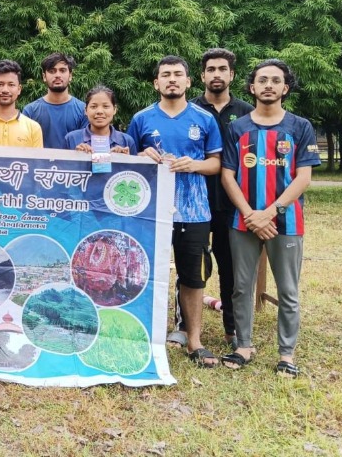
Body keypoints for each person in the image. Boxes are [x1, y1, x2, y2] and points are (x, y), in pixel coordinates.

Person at [220, 59, 320, 378]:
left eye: (275, 81)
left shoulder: (300, 127)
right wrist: (250, 214)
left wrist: (271, 211)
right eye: (262, 80)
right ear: (251, 87)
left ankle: (286, 354)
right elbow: (227, 175)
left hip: (286, 222)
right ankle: (243, 347)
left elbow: (303, 177)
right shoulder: (237, 128)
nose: (268, 85)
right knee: (241, 287)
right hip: (244, 221)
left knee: (288, 290)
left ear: (284, 88)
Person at [127, 56, 222, 368]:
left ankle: (193, 339)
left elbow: (216, 163)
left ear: (188, 81)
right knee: (142, 273)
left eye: (178, 74)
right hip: (149, 211)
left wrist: (193, 164)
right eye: (165, 75)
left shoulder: (204, 119)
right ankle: (141, 335)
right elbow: (127, 162)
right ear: (156, 83)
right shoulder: (142, 119)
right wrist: (142, 155)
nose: (172, 79)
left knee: (193, 276)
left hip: (194, 211)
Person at [177, 48, 252, 351]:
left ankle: (232, 329)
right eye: (211, 69)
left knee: (230, 267)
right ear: (202, 76)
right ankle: (182, 326)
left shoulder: (247, 112)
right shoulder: (187, 109)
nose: (217, 74)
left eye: (223, 69)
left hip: (230, 203)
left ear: (232, 75)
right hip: (191, 203)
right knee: (188, 266)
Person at [22, 53, 89, 149]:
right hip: (40, 164)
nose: (57, 75)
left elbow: (88, 147)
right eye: (52, 71)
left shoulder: (84, 110)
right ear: (44, 76)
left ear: (70, 75)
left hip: (73, 164)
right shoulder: (30, 111)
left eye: (62, 70)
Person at [64, 85, 138, 155]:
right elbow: (63, 167)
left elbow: (134, 168)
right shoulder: (71, 139)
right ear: (85, 110)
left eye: (105, 106)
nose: (99, 111)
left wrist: (124, 159)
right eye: (93, 106)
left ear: (114, 109)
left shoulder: (127, 141)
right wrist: (76, 157)